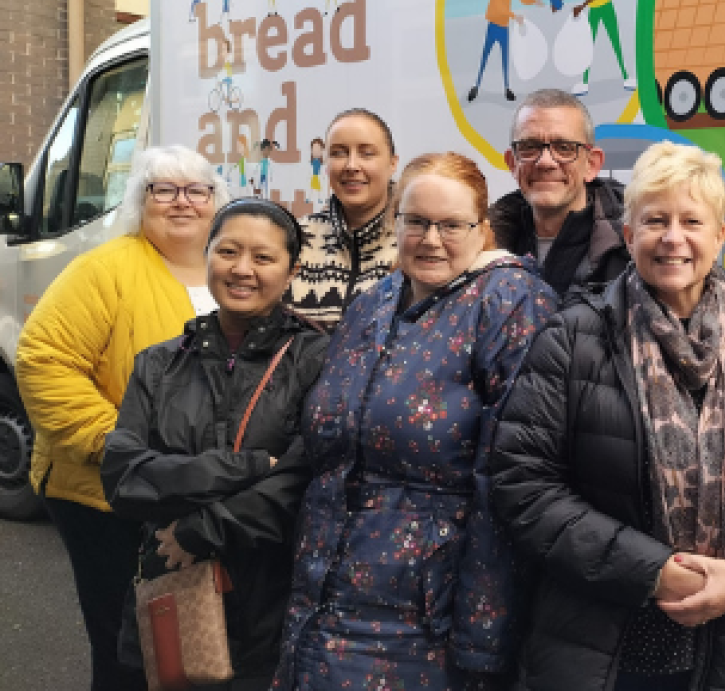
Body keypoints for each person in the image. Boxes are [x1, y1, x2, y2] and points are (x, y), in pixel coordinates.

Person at [492, 141, 725, 691]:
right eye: (655, 221)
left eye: (692, 221)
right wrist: (651, 571)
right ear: (629, 235)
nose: (673, 238)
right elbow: (523, 483)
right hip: (600, 651)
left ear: (722, 236)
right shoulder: (574, 337)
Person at [274, 152, 557, 690]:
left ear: (482, 228)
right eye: (416, 221)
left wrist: (482, 638)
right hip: (322, 597)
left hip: (426, 617)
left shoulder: (510, 304)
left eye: (451, 225)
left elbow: (508, 479)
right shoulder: (371, 305)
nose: (431, 239)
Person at [16, 145, 230, 691]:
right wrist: (114, 444)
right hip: (106, 495)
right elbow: (43, 359)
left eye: (197, 190)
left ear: (216, 200)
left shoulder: (229, 266)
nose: (182, 202)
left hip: (195, 489)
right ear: (141, 200)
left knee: (192, 642)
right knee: (128, 647)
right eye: (164, 190)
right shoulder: (104, 269)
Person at [102, 199, 328, 691]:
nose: (242, 269)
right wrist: (247, 466)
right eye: (228, 251)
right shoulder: (158, 364)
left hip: (272, 611)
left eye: (263, 257)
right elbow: (123, 478)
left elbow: (303, 482)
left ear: (291, 271)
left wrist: (200, 529)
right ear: (206, 255)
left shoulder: (318, 362)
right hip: (175, 599)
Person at [489, 88, 630, 299]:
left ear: (592, 164)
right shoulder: (478, 248)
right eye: (529, 146)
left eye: (564, 147)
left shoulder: (634, 249)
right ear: (512, 163)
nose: (545, 162)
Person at [285, 108, 400, 328]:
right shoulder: (297, 237)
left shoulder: (416, 239)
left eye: (367, 153)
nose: (351, 166)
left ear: (392, 163)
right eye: (338, 153)